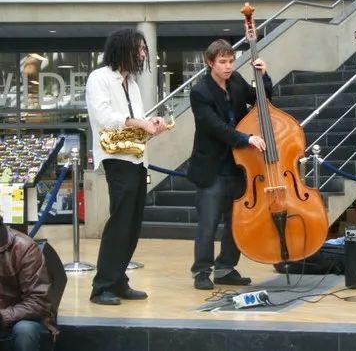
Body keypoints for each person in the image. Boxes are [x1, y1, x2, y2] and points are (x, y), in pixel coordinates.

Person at [86, 29, 167, 305]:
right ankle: (102, 287)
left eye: (144, 49)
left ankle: (118, 281)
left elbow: (136, 120)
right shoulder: (99, 78)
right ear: (123, 49)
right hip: (116, 158)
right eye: (140, 49)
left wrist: (151, 124)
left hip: (136, 158)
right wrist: (139, 123)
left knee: (132, 224)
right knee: (120, 221)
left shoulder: (131, 83)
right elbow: (104, 116)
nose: (143, 54)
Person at [186, 39, 270, 290]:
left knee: (237, 221)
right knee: (208, 223)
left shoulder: (236, 81)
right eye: (222, 62)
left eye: (231, 61)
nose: (228, 66)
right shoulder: (200, 91)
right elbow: (216, 127)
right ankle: (202, 271)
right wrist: (246, 138)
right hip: (212, 168)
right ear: (210, 62)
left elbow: (262, 100)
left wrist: (263, 77)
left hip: (238, 167)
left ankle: (225, 268)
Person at [0, 215, 57, 351]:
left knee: (25, 331)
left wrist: (3, 316)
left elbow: (38, 302)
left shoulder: (24, 247)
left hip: (24, 317)